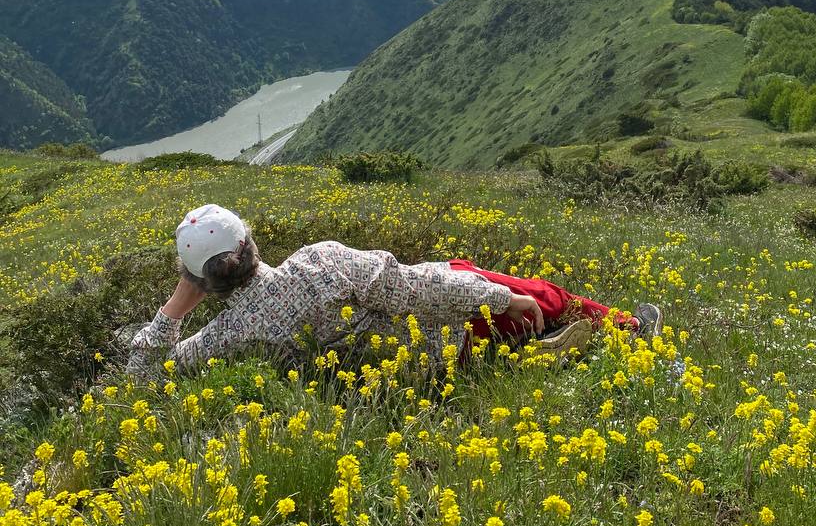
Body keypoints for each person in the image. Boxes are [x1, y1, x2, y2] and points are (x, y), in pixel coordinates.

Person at [126, 203, 663, 380]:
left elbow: (147, 376)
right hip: (445, 336)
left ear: (202, 280)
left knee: (462, 278)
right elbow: (416, 290)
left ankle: (526, 352)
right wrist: (506, 299)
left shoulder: (226, 336)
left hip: (401, 375)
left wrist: (178, 304)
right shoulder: (319, 263)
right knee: (535, 292)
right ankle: (632, 333)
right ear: (251, 243)